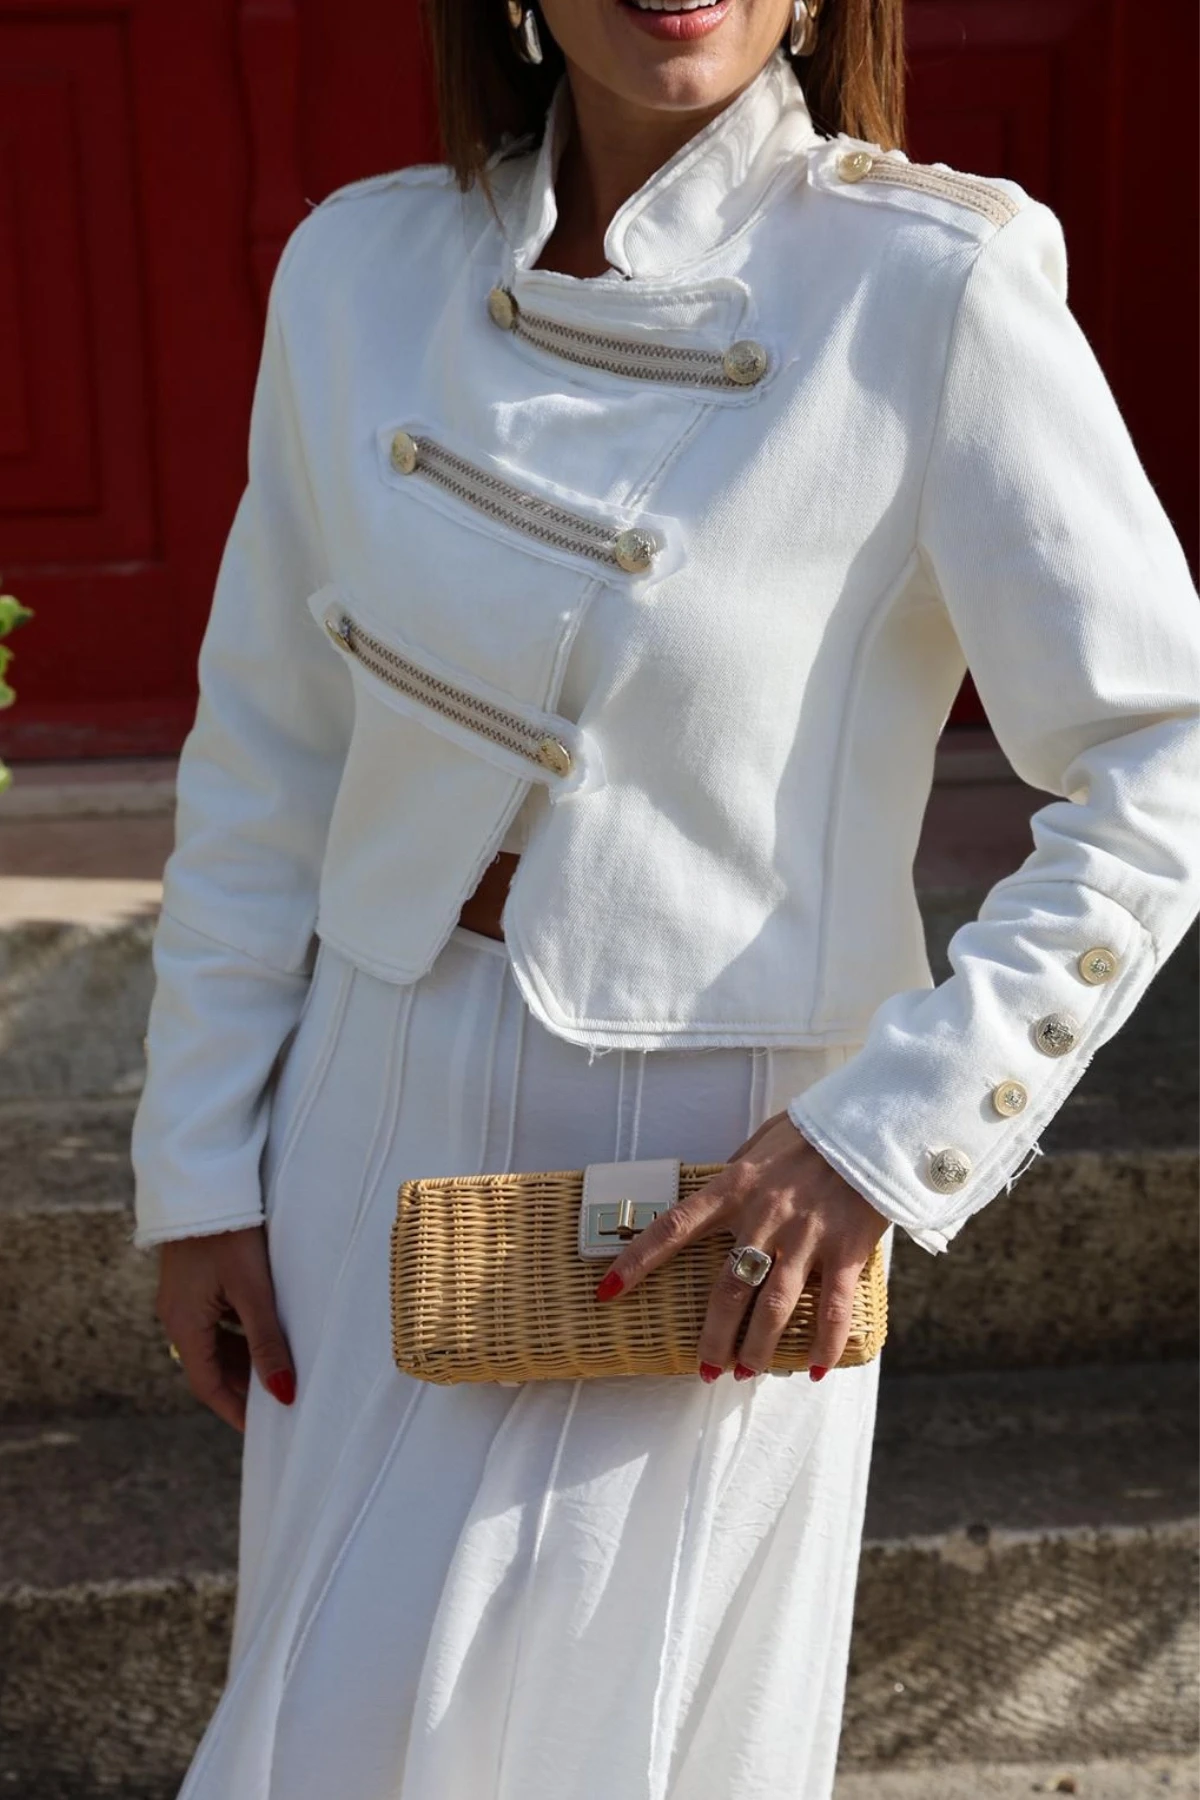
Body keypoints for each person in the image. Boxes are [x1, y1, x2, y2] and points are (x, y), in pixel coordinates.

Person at [129, 0, 1200, 1793]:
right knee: (321, 1738)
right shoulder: (356, 271)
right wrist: (200, 1162)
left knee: (613, 1751)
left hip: (718, 1187)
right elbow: (266, 751)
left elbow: (1164, 750)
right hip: (362, 1110)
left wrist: (883, 1142)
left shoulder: (931, 282)